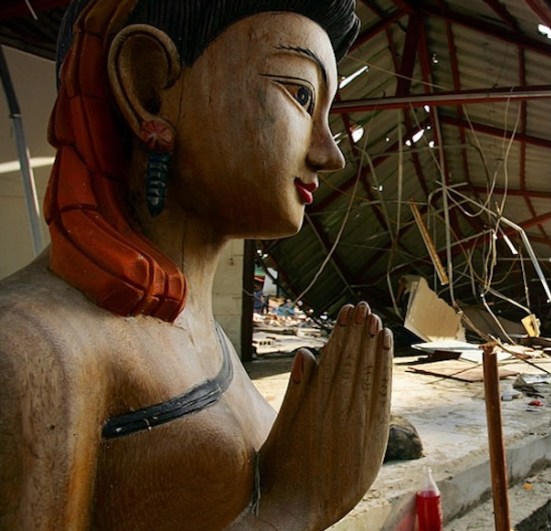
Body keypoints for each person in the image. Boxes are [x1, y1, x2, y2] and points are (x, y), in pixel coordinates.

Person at [0, 1, 392, 529]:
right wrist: (291, 505)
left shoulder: (202, 333)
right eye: (300, 94)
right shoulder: (29, 353)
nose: (330, 153)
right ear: (148, 85)